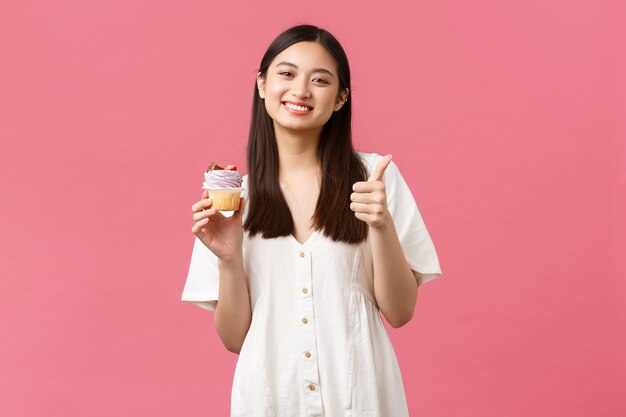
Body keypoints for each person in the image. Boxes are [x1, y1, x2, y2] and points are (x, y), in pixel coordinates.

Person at [182, 24, 442, 417]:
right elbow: (235, 340)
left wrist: (382, 225)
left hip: (361, 399)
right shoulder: (233, 201)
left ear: (340, 99)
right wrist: (229, 259)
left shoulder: (373, 179)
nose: (300, 91)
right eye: (286, 74)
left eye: (319, 80)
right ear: (261, 84)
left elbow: (400, 313)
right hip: (269, 401)